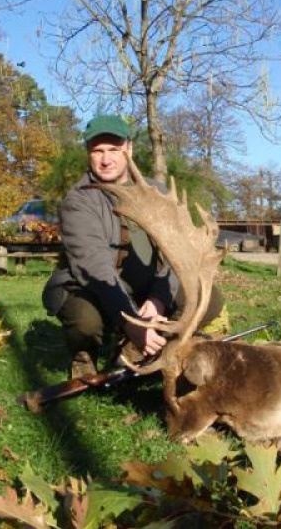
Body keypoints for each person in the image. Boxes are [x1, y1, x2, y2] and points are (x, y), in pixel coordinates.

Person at [42, 114, 222, 378]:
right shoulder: (78, 201)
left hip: (148, 290)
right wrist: (132, 322)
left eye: (114, 149)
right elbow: (94, 266)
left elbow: (178, 253)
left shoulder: (156, 192)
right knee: (85, 322)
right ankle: (85, 354)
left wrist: (159, 299)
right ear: (88, 153)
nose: (106, 159)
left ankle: (151, 346)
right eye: (98, 150)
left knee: (209, 297)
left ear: (129, 149)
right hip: (97, 289)